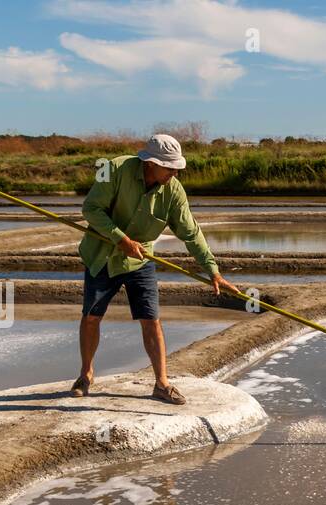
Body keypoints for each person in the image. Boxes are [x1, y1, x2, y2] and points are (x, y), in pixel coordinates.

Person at [72, 133, 241, 404]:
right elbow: (91, 209)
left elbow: (191, 232)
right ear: (149, 163)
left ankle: (162, 384)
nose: (174, 173)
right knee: (92, 316)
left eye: (176, 168)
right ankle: (85, 374)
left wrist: (212, 270)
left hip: (141, 258)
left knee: (151, 319)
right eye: (169, 167)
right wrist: (121, 239)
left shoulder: (173, 190)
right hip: (102, 255)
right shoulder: (112, 169)